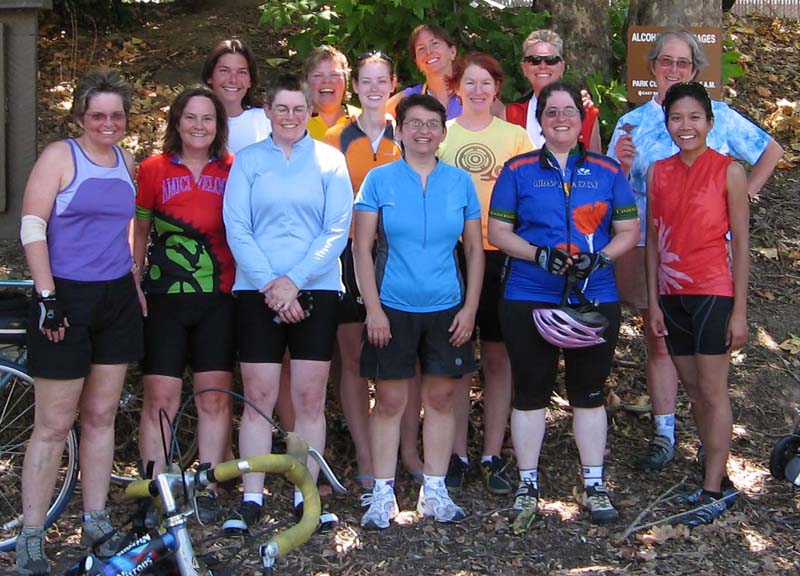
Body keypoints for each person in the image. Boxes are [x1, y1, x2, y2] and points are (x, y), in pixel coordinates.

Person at [607, 27, 783, 472]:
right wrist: (621, 167)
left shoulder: (718, 114)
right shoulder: (632, 123)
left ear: (696, 69)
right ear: (652, 67)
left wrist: (741, 198)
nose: (673, 69)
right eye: (665, 61)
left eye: (682, 62)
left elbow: (771, 151)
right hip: (647, 247)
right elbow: (610, 191)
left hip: (708, 256)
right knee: (659, 340)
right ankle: (665, 433)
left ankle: (711, 450)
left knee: (708, 360)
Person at [488, 81, 639, 529]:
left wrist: (601, 258)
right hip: (528, 294)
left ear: (581, 118)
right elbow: (498, 232)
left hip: (595, 295)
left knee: (589, 393)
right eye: (551, 112)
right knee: (530, 391)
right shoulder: (517, 169)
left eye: (568, 110)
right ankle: (527, 484)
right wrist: (538, 255)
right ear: (540, 121)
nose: (560, 119)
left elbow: (628, 231)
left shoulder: (608, 170)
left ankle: (594, 484)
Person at [16, 69, 144, 575]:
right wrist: (46, 294)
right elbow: (32, 226)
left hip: (115, 299)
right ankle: (31, 535)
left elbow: (125, 222)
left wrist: (132, 276)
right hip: (66, 298)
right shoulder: (59, 157)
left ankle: (95, 520)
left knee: (101, 415)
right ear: (80, 117)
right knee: (53, 423)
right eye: (97, 115)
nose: (108, 124)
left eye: (117, 115)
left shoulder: (125, 161)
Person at [222, 74, 353, 533]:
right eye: (282, 108)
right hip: (256, 290)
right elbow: (237, 226)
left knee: (309, 398)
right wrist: (271, 286)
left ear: (310, 111)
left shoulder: (330, 160)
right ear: (269, 111)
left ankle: (306, 494)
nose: (291, 117)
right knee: (258, 397)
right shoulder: (248, 161)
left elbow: (337, 230)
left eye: (299, 109)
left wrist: (293, 283)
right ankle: (251, 497)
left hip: (316, 288)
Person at [355, 93, 484, 530]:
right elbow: (361, 248)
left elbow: (473, 249)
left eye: (432, 124)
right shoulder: (378, 180)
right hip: (392, 305)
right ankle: (382, 494)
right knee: (390, 401)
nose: (423, 131)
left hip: (447, 305)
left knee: (442, 398)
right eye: (414, 123)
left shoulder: (460, 182)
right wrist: (373, 309)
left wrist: (470, 308)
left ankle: (435, 490)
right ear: (400, 130)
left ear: (443, 132)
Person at [645, 82, 748, 525]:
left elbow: (741, 244)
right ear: (666, 123)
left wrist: (739, 311)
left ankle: (713, 487)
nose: (685, 126)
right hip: (672, 295)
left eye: (694, 118)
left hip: (712, 291)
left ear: (709, 122)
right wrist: (653, 302)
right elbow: (653, 241)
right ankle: (715, 476)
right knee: (693, 389)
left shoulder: (728, 171)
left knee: (712, 390)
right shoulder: (658, 172)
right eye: (676, 118)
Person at [134, 86, 235, 524]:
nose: (199, 125)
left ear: (218, 125)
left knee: (213, 397)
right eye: (190, 117)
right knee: (161, 397)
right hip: (164, 298)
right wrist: (133, 278)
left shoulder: (233, 168)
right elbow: (139, 231)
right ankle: (153, 489)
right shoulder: (153, 169)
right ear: (177, 121)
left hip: (220, 296)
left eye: (207, 118)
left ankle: (207, 486)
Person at [436, 53, 533, 495]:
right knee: (455, 360)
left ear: (497, 88)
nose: (478, 90)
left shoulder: (515, 137)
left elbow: (531, 197)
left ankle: (492, 454)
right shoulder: (443, 135)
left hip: (503, 257)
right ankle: (456, 453)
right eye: (470, 83)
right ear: (456, 88)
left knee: (498, 358)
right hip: (451, 256)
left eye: (486, 83)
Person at [323, 50, 402, 493]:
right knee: (352, 358)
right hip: (348, 256)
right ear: (355, 86)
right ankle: (366, 456)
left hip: (400, 258)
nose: (374, 88)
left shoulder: (406, 131)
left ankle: (404, 452)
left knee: (400, 359)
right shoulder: (336, 137)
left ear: (393, 84)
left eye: (381, 80)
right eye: (366, 81)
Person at [505, 29, 601, 153]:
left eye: (551, 60)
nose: (543, 66)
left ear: (562, 67)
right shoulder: (510, 114)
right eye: (534, 60)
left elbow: (597, 162)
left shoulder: (587, 113)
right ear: (524, 68)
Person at [202, 39, 271, 153]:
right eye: (224, 71)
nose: (233, 80)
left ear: (250, 81)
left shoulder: (268, 121)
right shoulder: (194, 122)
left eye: (241, 72)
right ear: (210, 76)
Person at [306, 45, 361, 140]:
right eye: (318, 75)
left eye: (334, 75)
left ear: (346, 81)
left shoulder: (363, 120)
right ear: (306, 82)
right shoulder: (295, 123)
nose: (327, 81)